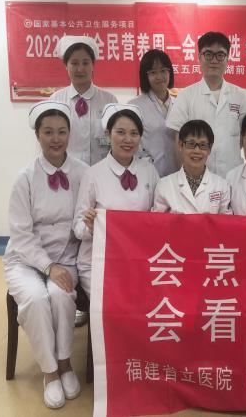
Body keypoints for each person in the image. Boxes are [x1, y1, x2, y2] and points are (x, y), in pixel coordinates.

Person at [3, 102, 89, 409]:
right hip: (25, 259)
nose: (56, 139)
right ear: (37, 135)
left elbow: (86, 216)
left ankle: (65, 362)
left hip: (67, 255)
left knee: (62, 295)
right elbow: (21, 234)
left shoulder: (83, 172)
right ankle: (50, 371)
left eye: (62, 132)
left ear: (69, 134)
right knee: (36, 299)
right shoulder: (25, 177)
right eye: (48, 132)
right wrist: (47, 266)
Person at [74, 104, 159, 297]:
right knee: (116, 300)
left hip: (139, 258)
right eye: (120, 132)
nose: (128, 139)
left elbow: (157, 216)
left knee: (146, 300)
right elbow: (78, 228)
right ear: (108, 134)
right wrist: (90, 226)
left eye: (134, 133)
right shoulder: (93, 174)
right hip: (98, 260)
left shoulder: (149, 171)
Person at [165, 31, 246, 178]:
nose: (214, 60)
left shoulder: (240, 96)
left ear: (227, 58)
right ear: (199, 57)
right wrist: (186, 178)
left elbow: (245, 136)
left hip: (232, 177)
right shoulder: (186, 96)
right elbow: (178, 140)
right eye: (208, 54)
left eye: (220, 55)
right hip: (196, 178)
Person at [49, 35, 118, 166]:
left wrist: (102, 143)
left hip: (101, 171)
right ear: (66, 65)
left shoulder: (109, 100)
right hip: (66, 172)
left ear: (93, 65)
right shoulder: (56, 101)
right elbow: (48, 142)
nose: (80, 69)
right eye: (74, 63)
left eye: (85, 63)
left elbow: (115, 139)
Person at [153, 120, 231, 214]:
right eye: (191, 144)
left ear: (209, 149)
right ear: (180, 145)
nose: (197, 151)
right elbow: (157, 221)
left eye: (203, 145)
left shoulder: (221, 185)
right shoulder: (164, 185)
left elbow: (226, 221)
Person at [129, 49, 178, 177]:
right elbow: (131, 143)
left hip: (176, 174)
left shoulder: (180, 104)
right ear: (146, 76)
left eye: (163, 70)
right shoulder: (135, 106)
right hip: (146, 175)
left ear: (170, 72)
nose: (159, 77)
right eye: (153, 72)